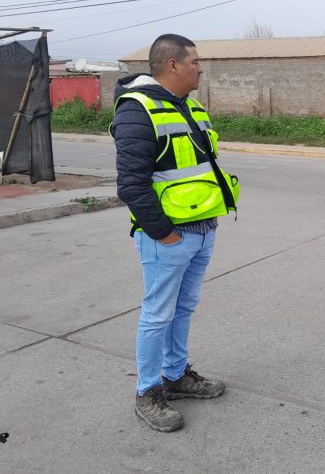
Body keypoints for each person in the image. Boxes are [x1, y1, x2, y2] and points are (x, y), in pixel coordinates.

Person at [111, 34, 239, 432]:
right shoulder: (138, 109)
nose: (200, 68)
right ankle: (148, 392)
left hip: (203, 229)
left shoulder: (191, 106)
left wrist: (205, 226)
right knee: (157, 314)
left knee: (183, 309)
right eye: (195, 61)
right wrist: (164, 234)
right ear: (172, 65)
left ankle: (176, 375)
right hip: (168, 236)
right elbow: (131, 184)